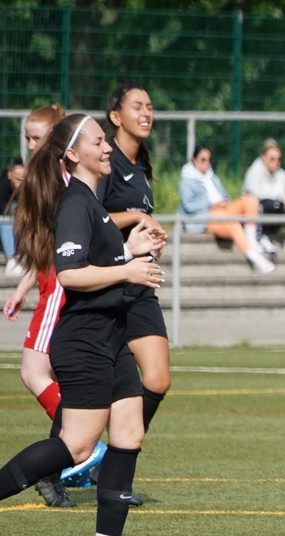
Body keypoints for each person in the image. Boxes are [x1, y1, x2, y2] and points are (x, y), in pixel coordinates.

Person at [5, 112, 165, 536]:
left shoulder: (92, 203)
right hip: (85, 340)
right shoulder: (75, 202)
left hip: (111, 336)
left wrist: (132, 250)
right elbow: (71, 275)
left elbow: (102, 260)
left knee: (130, 431)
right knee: (76, 446)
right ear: (73, 154)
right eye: (98, 141)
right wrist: (128, 270)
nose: (107, 146)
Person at [4, 102, 107, 509]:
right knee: (48, 375)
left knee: (33, 371)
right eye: (27, 138)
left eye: (36, 138)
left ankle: (83, 448)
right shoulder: (54, 181)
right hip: (51, 280)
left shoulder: (67, 181)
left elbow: (61, 247)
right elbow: (50, 244)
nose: (30, 146)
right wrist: (23, 286)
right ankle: (76, 451)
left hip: (59, 286)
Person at [98, 79, 172, 506]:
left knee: (158, 379)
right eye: (137, 106)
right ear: (116, 116)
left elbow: (136, 223)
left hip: (140, 282)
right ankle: (56, 472)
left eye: (150, 106)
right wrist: (135, 217)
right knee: (93, 389)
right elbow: (91, 217)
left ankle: (112, 463)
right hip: (108, 281)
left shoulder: (140, 167)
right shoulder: (104, 161)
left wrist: (153, 239)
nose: (146, 113)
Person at [178, 145, 275, 274]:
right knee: (233, 224)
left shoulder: (212, 177)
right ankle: (257, 259)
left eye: (209, 160)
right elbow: (189, 206)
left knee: (250, 200)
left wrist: (225, 201)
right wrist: (213, 203)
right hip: (207, 215)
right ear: (194, 161)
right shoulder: (187, 181)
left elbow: (224, 195)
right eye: (203, 160)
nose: (207, 163)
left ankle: (251, 240)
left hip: (223, 209)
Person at [241, 138, 285, 257]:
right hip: (255, 216)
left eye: (278, 159)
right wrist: (282, 196)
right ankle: (262, 236)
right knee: (268, 203)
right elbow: (256, 193)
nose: (276, 162)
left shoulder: (279, 173)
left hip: (273, 212)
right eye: (272, 159)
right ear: (263, 158)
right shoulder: (254, 172)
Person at [1, 157, 25, 275]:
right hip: (4, 223)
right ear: (10, 175)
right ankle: (12, 260)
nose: (20, 180)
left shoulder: (26, 188)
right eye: (17, 176)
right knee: (5, 223)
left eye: (23, 177)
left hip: (17, 223)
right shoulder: (3, 186)